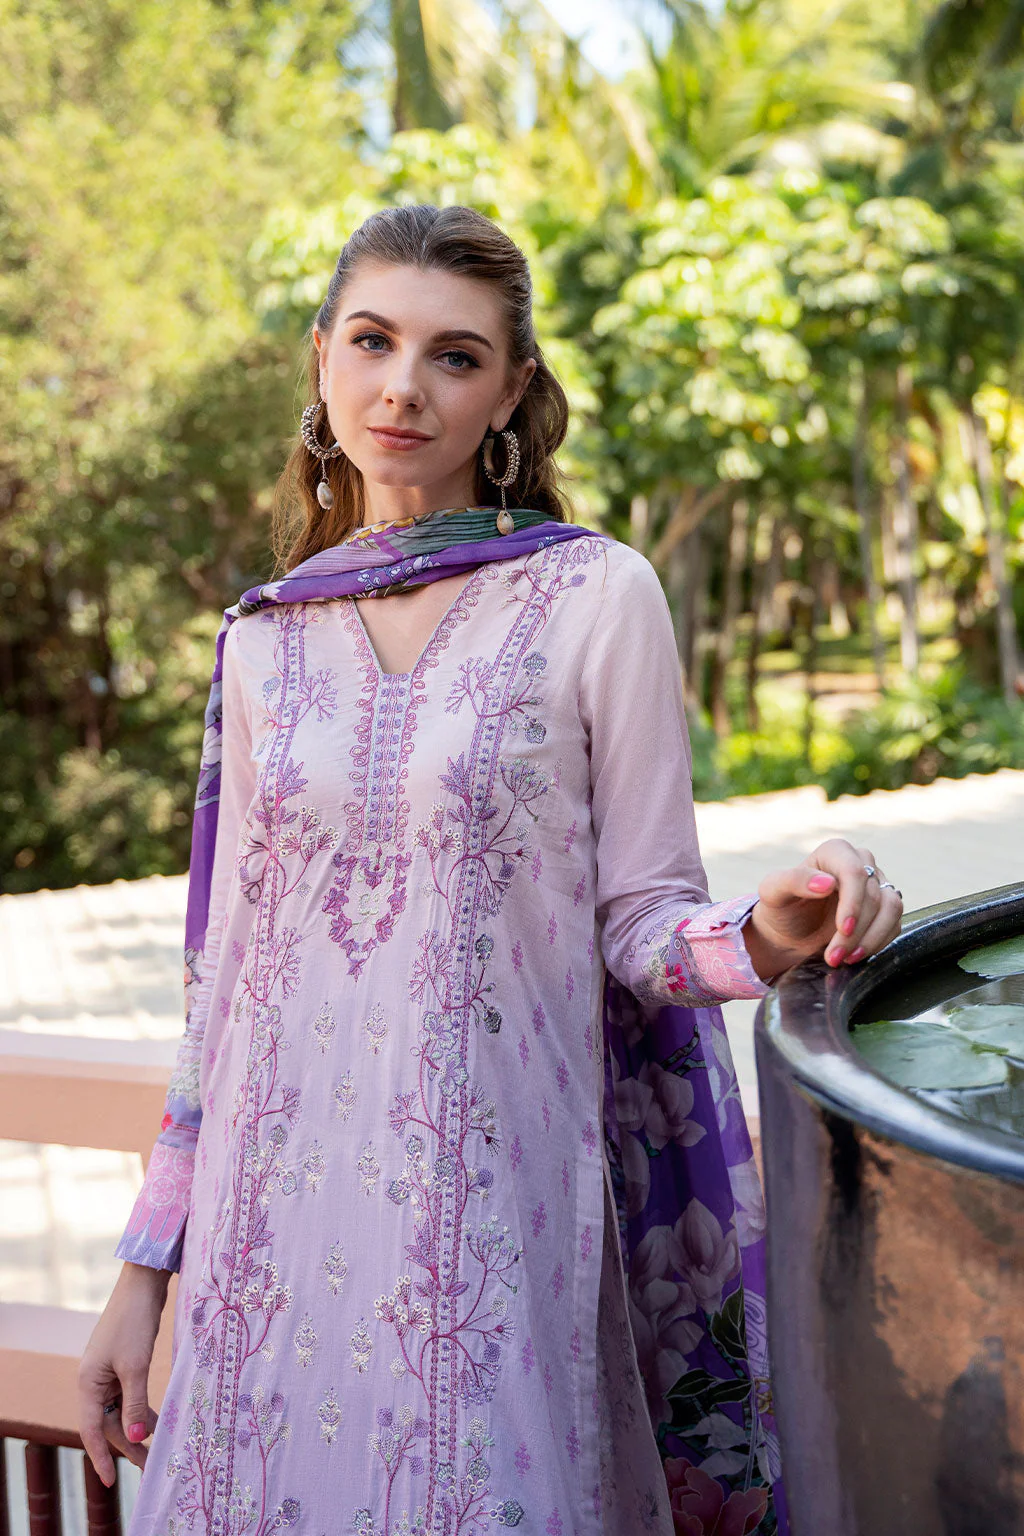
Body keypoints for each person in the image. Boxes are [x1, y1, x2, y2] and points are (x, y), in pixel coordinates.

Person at [78, 203, 902, 1536]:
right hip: (263, 1247)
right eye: (372, 341)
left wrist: (769, 930)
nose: (403, 386)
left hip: (486, 1230)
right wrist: (141, 1276)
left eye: (454, 356)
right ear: (322, 359)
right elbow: (219, 991)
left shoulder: (595, 596)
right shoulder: (262, 639)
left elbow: (643, 925)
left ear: (512, 390)